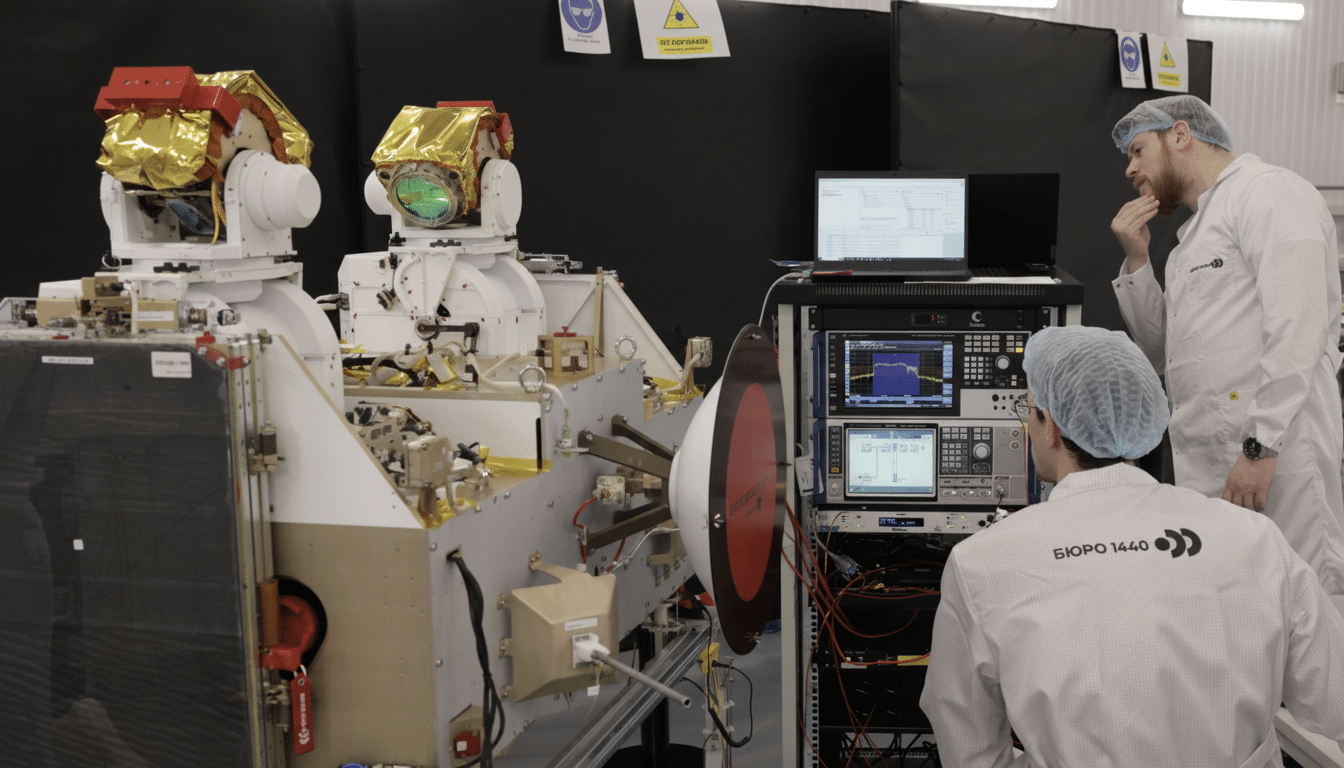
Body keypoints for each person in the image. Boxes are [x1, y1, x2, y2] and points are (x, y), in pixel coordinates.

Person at [919, 325, 1344, 768]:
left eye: (1028, 411)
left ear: (1052, 428)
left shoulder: (982, 563)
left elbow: (969, 749)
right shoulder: (1254, 539)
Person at [1108, 94, 1344, 617]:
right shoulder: (1190, 240)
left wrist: (1261, 448)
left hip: (1277, 455)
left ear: (1182, 136)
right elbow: (1164, 353)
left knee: (1307, 608)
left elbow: (1298, 326)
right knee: (1241, 616)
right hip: (1213, 465)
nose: (1131, 170)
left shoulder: (1269, 192)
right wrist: (1138, 259)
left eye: (1138, 151)